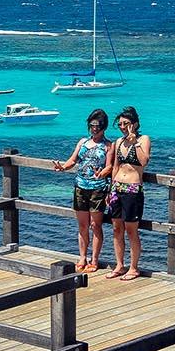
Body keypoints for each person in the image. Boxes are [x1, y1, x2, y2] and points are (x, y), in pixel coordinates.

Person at [52, 109, 111, 273]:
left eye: (97, 126)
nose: (94, 129)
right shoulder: (83, 142)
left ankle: (94, 259)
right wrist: (62, 167)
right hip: (80, 186)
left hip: (98, 188)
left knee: (95, 225)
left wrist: (104, 175)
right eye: (91, 125)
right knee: (82, 225)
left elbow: (111, 166)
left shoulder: (108, 146)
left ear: (103, 127)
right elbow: (73, 160)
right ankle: (82, 257)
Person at [105, 105, 150, 281]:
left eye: (127, 124)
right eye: (121, 124)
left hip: (132, 189)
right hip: (117, 188)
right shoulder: (118, 143)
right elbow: (116, 167)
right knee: (116, 229)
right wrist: (111, 189)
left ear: (135, 124)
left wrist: (134, 141)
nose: (123, 127)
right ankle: (119, 265)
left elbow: (144, 161)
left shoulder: (143, 139)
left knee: (132, 230)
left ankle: (133, 267)